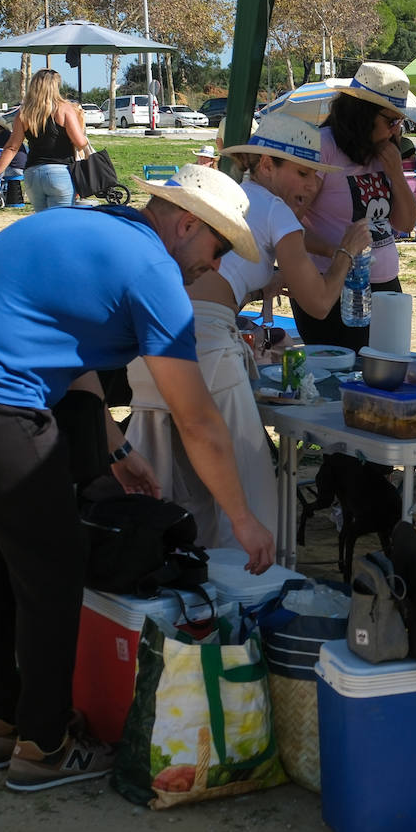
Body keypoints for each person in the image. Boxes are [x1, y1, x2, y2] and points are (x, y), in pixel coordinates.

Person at [0, 163, 273, 794]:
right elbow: (198, 420)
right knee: (54, 565)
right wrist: (245, 519)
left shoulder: (78, 223)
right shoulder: (156, 274)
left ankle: (2, 724)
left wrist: (114, 448)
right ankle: (47, 744)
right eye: (218, 249)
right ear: (188, 224)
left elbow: (66, 347)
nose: (215, 267)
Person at [125, 115, 370, 549]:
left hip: (153, 338)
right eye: (301, 170)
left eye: (314, 173)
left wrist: (264, 282)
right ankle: (248, 589)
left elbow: (229, 275)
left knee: (166, 485)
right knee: (247, 483)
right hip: (207, 346)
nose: (311, 183)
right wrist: (347, 255)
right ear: (264, 165)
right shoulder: (275, 211)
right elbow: (318, 301)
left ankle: (172, 588)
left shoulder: (234, 201)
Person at [297, 61, 416, 350]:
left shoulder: (384, 152)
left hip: (384, 285)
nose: (395, 131)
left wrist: (395, 174)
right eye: (390, 121)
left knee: (388, 371)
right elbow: (289, 224)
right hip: (332, 284)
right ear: (361, 115)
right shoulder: (323, 147)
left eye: (400, 122)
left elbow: (405, 224)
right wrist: (341, 252)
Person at [0, 68, 88, 211]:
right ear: (55, 86)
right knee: (61, 224)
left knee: (42, 223)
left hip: (32, 173)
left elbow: (11, 147)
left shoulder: (24, 112)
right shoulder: (64, 109)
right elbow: (80, 142)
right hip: (60, 172)